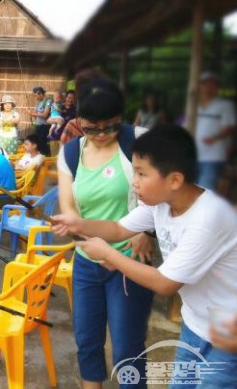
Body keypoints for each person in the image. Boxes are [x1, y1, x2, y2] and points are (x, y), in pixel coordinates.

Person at [53, 125, 237, 388]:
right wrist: (78, 224)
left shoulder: (208, 219)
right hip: (197, 323)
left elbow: (165, 283)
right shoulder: (162, 203)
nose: (134, 181)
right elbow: (118, 229)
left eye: (141, 173)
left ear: (174, 179)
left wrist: (109, 254)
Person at [56, 79, 155, 389]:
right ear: (79, 121)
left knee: (127, 349)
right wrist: (82, 237)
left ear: (121, 118)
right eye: (91, 128)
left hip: (130, 261)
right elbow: (71, 211)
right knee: (87, 340)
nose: (100, 135)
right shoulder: (70, 153)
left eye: (109, 127)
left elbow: (165, 194)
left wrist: (147, 231)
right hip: (87, 261)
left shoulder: (140, 141)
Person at [194, 72, 236, 190]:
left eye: (212, 85)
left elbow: (229, 127)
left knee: (206, 189)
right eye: (205, 84)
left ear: (217, 87)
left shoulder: (225, 105)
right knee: (192, 189)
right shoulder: (194, 106)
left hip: (213, 156)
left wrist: (215, 138)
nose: (208, 88)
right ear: (199, 87)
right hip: (193, 154)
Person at [30, 87, 52, 155]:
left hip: (45, 126)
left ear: (40, 94)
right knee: (38, 143)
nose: (35, 97)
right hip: (38, 126)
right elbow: (36, 116)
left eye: (36, 95)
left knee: (43, 143)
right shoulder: (38, 104)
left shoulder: (48, 101)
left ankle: (46, 157)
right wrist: (31, 113)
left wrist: (34, 113)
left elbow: (45, 115)